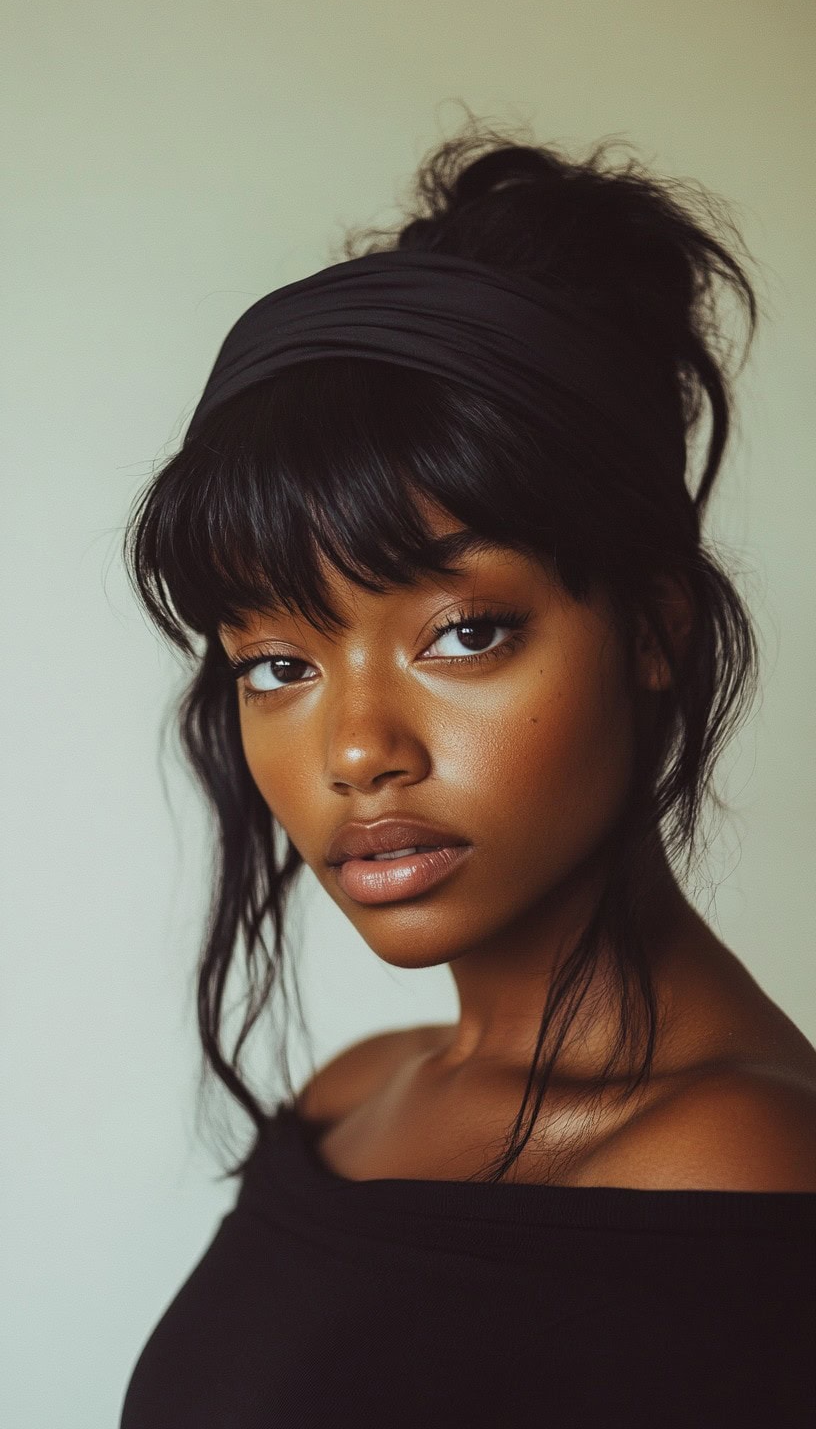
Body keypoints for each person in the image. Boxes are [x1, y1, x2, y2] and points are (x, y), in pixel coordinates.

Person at [119, 114, 816, 1428]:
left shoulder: (741, 1173)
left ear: (655, 631)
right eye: (277, 663)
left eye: (465, 633)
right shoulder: (349, 1099)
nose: (359, 749)